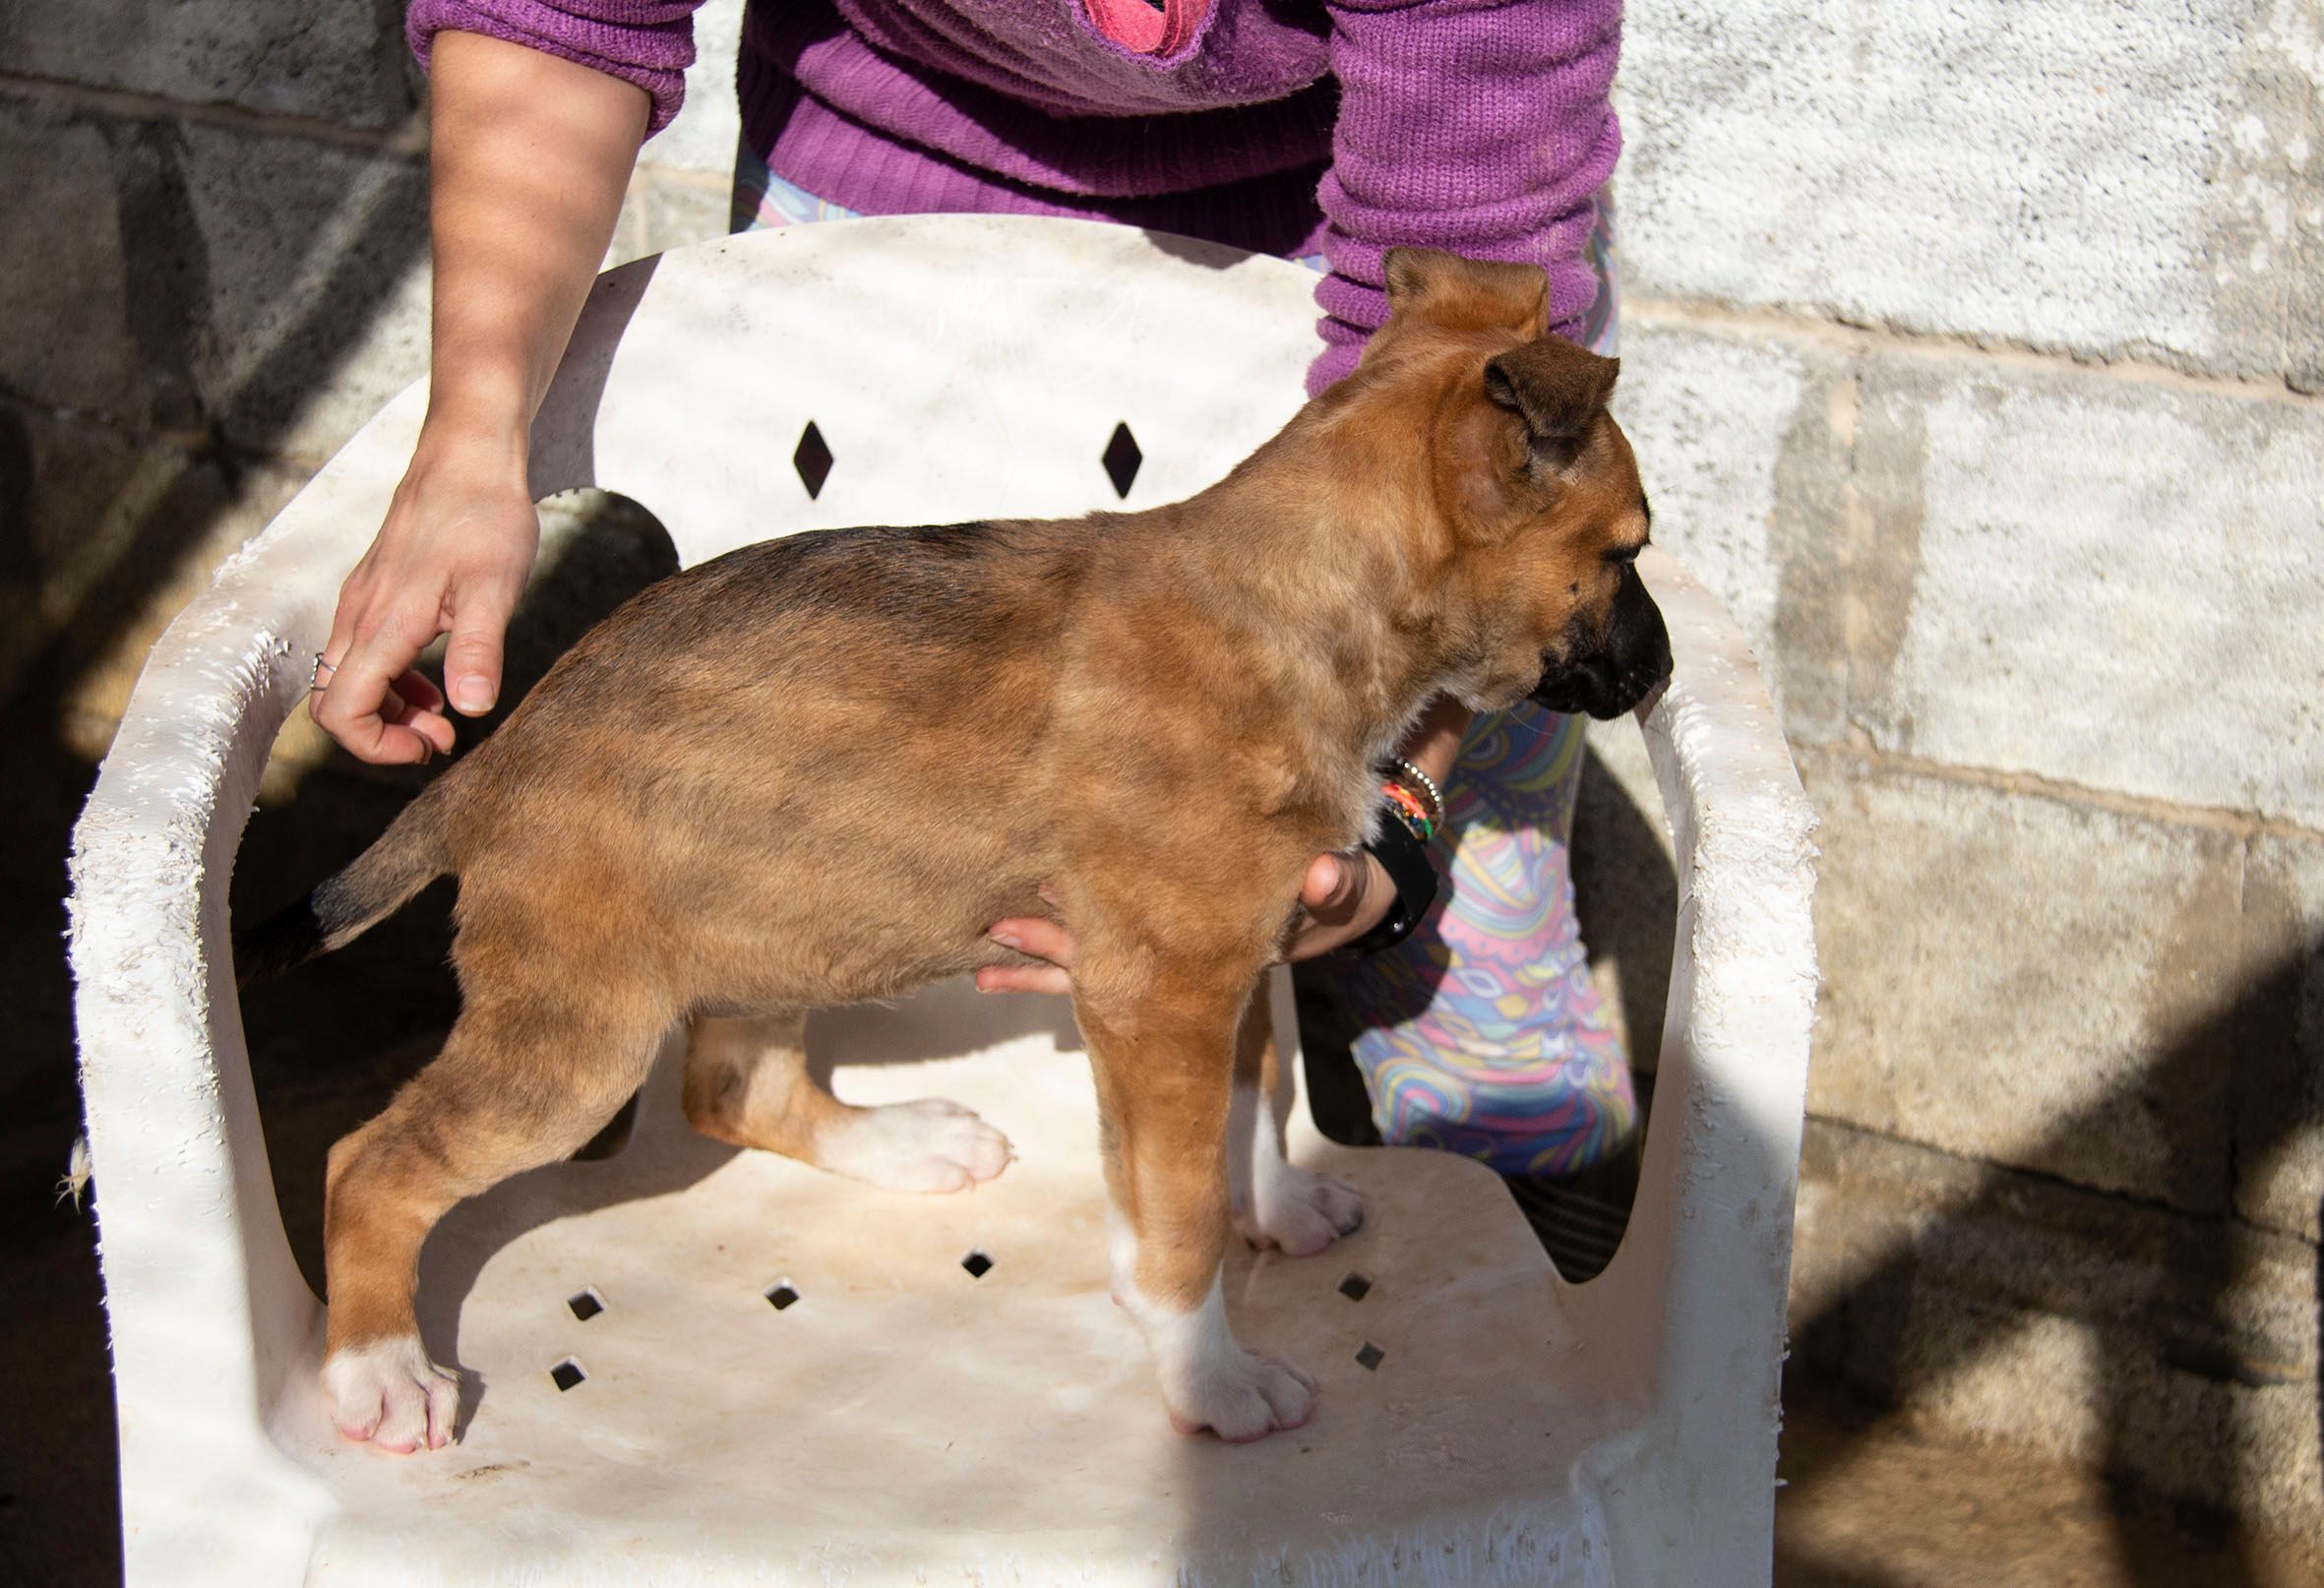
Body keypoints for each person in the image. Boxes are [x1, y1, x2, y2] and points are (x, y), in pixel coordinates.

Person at [309, 0, 1636, 1179]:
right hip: (874, 201)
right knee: (801, 812)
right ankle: (757, 1086)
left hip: (1337, 288)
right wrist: (474, 436)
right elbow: (556, 13)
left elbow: (1464, 442)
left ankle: (1484, 1153)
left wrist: (1394, 816)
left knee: (1493, 1047)